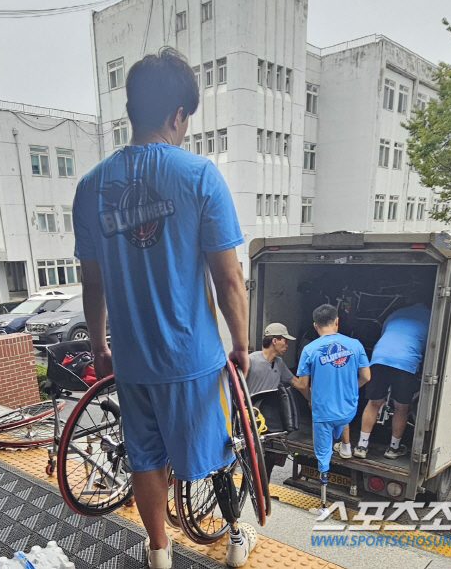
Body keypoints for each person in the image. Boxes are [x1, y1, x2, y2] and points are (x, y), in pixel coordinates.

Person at [72, 47, 255, 569]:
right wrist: (240, 346)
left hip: (132, 361)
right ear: (178, 115)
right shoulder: (199, 176)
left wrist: (99, 345)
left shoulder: (90, 188)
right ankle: (236, 536)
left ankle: (158, 553)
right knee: (223, 448)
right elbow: (229, 278)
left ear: (132, 107)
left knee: (146, 457)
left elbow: (93, 282)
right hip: (193, 358)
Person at [295, 305, 371, 481]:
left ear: (315, 326)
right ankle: (345, 447)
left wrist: (311, 399)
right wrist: (350, 389)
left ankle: (323, 484)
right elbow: (366, 377)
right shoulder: (355, 344)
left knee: (322, 445)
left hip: (323, 412)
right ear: (337, 321)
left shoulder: (310, 349)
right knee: (338, 413)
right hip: (347, 412)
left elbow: (302, 385)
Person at [354, 301, 431, 459]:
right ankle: (393, 448)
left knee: (374, 403)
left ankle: (361, 446)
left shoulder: (397, 313)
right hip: (406, 361)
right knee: (401, 407)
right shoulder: (431, 317)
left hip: (380, 356)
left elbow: (385, 334)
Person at [246, 322, 301, 478]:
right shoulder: (251, 360)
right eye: (285, 340)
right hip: (250, 416)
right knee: (247, 456)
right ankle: (248, 486)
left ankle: (264, 490)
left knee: (270, 455)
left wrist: (313, 399)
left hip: (269, 418)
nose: (287, 345)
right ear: (275, 340)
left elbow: (296, 383)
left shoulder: (279, 363)